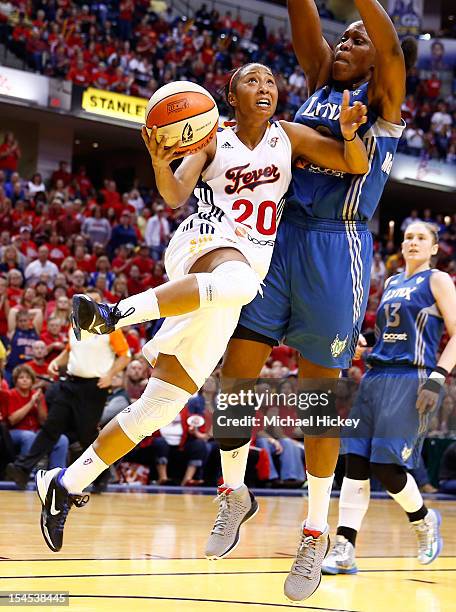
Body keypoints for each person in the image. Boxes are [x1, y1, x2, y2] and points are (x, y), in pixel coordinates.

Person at [35, 62, 369, 554]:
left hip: (236, 274)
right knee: (238, 283)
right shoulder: (213, 138)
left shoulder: (290, 137)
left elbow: (355, 165)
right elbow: (174, 195)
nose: (265, 87)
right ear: (230, 96)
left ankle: (64, 483)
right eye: (252, 80)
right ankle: (112, 314)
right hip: (204, 245)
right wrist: (158, 160)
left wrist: (348, 135)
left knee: (160, 403)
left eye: (271, 81)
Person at [202, 0, 414, 603]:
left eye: (357, 39)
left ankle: (316, 532)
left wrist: (368, 12)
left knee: (318, 398)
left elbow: (393, 49)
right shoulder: (322, 81)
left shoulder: (383, 99)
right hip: (278, 237)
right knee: (236, 372)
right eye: (341, 36)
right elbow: (302, 16)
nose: (345, 44)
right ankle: (232, 494)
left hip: (334, 247)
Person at [322, 222, 456, 574]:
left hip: (412, 377)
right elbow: (389, 330)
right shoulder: (393, 282)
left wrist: (438, 379)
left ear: (433, 248)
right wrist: (367, 339)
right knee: (355, 464)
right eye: (408, 237)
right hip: (375, 377)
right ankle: (344, 547)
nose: (412, 242)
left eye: (421, 238)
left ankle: (423, 520)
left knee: (387, 466)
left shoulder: (438, 280)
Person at [6, 288, 130, 490]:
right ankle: (22, 469)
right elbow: (68, 351)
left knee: (87, 435)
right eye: (88, 301)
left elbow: (125, 356)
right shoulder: (75, 324)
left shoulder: (110, 328)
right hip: (70, 383)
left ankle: (102, 475)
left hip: (94, 387)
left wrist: (110, 375)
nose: (92, 304)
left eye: (96, 301)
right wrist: (56, 360)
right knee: (51, 427)